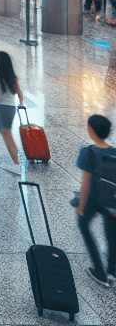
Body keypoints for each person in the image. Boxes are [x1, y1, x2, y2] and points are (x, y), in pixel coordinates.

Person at [76, 114, 116, 287]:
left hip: (93, 200)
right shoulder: (114, 153)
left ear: (91, 131)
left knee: (84, 226)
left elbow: (86, 183)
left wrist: (81, 205)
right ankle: (112, 273)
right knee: (112, 238)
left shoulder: (88, 152)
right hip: (112, 203)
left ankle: (99, 271)